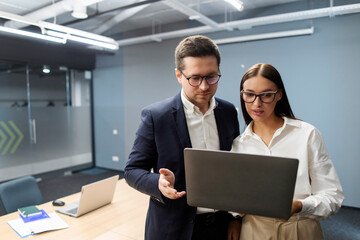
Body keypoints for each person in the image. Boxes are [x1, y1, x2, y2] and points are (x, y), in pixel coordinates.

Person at [124, 35, 241, 240]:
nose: (204, 87)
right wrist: (157, 183)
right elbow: (132, 170)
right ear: (179, 75)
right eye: (195, 78)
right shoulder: (156, 116)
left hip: (220, 226)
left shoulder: (229, 112)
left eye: (211, 77)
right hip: (173, 229)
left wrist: (235, 219)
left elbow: (237, 168)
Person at [231, 63, 344, 240]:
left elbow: (332, 196)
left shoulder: (307, 134)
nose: (257, 103)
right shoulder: (238, 145)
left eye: (267, 95)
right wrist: (235, 219)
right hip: (253, 230)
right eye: (250, 95)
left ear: (279, 95)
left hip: (300, 228)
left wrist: (300, 205)